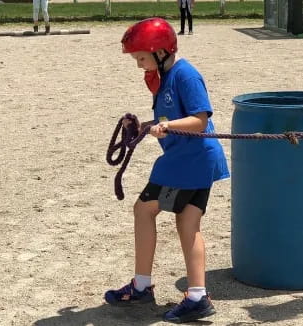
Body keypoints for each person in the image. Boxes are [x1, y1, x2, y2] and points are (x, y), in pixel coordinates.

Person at [104, 17, 229, 324]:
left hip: (189, 161)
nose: (139, 65)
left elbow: (199, 120)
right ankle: (197, 296)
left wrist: (168, 126)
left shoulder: (185, 75)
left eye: (141, 58)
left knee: (143, 209)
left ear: (160, 52)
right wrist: (145, 127)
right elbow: (168, 120)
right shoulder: (165, 77)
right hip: (195, 161)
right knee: (188, 224)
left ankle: (142, 285)